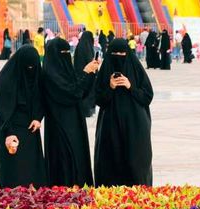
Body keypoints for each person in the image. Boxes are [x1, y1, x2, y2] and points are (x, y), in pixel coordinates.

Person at [94, 38, 154, 187]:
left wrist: (130, 86)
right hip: (110, 127)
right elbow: (98, 99)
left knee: (136, 162)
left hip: (135, 126)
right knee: (111, 162)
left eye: (122, 53)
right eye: (115, 53)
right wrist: (110, 87)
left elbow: (147, 96)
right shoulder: (104, 73)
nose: (118, 56)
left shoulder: (136, 70)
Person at [43, 38, 98, 187]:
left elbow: (80, 93)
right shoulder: (50, 75)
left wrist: (90, 73)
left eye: (68, 52)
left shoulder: (67, 72)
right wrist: (86, 73)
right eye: (63, 53)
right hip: (60, 124)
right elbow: (72, 93)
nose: (66, 56)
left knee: (78, 156)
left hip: (75, 122)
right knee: (65, 159)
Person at [0, 46, 48, 189]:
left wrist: (38, 117)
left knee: (32, 171)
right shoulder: (5, 80)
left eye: (33, 66)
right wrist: (9, 133)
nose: (30, 69)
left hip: (30, 129)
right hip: (11, 129)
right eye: (27, 67)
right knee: (14, 172)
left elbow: (41, 98)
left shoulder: (36, 75)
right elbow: (1, 109)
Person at [74, 30, 96, 117]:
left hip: (79, 73)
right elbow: (89, 60)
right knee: (89, 91)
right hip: (88, 73)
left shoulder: (79, 46)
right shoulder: (88, 47)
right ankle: (87, 110)